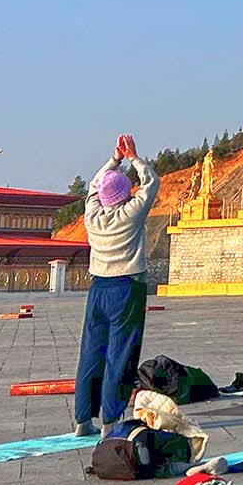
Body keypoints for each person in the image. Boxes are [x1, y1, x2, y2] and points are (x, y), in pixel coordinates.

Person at [74, 133, 161, 436]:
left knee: (91, 352)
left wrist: (115, 159)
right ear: (125, 194)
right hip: (127, 286)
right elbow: (150, 182)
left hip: (98, 288)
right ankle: (110, 419)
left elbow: (93, 186)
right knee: (120, 355)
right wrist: (133, 157)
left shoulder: (92, 215)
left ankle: (82, 419)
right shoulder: (131, 213)